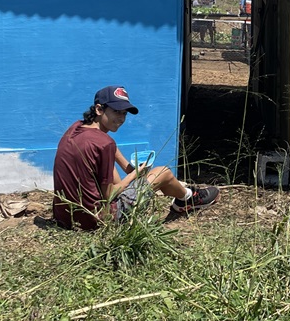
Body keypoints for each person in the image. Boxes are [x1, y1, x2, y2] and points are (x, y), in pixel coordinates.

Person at [52, 85, 218, 230]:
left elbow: (108, 148)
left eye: (124, 113)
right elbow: (109, 195)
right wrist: (134, 174)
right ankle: (188, 199)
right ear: (99, 109)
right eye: (116, 112)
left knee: (116, 169)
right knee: (164, 172)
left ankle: (183, 196)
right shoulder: (104, 144)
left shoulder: (76, 128)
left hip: (66, 217)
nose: (121, 118)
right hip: (97, 220)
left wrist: (128, 167)